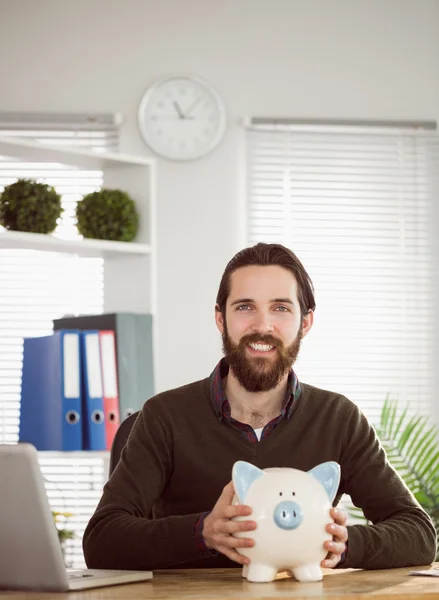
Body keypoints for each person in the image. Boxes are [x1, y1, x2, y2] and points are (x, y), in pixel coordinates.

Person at [83, 243, 436, 571]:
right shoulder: (165, 416)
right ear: (221, 318)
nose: (262, 326)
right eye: (245, 307)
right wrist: (203, 532)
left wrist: (341, 544)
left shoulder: (339, 418)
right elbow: (102, 540)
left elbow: (419, 534)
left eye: (281, 308)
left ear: (306, 322)